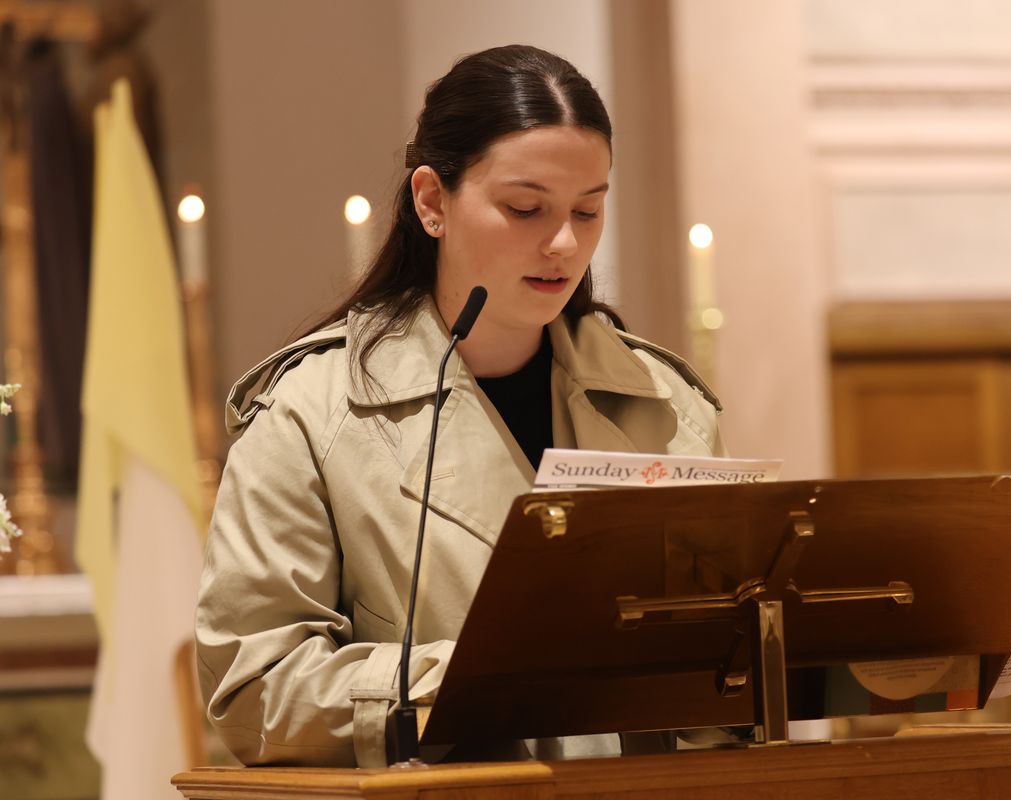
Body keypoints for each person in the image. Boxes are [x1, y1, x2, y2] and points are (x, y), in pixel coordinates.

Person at [195, 44, 725, 768]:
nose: (565, 243)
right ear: (432, 201)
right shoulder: (312, 414)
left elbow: (722, 684)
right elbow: (254, 688)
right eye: (525, 208)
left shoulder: (668, 405)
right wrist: (474, 677)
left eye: (588, 210)